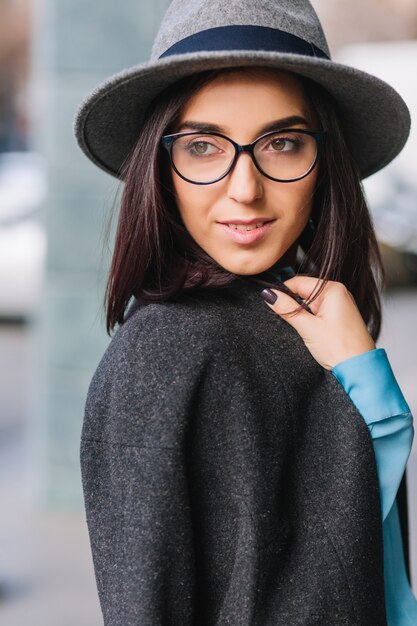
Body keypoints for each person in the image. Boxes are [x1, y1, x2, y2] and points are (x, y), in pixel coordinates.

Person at [74, 0, 416, 624]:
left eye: (282, 143)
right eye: (204, 146)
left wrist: (360, 371)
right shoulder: (167, 353)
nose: (244, 187)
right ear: (162, 166)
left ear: (325, 162)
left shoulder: (313, 321)